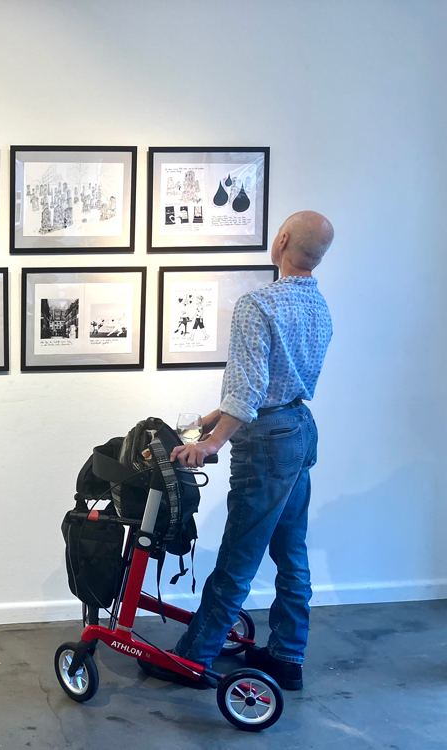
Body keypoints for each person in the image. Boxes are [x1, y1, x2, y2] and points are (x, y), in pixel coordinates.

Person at [142, 211, 334, 692]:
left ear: (282, 239)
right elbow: (269, 387)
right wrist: (206, 421)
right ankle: (288, 655)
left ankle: (195, 659)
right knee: (291, 552)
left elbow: (248, 395)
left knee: (238, 557)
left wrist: (210, 444)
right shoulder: (320, 308)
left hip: (267, 441)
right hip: (299, 429)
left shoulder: (258, 305)